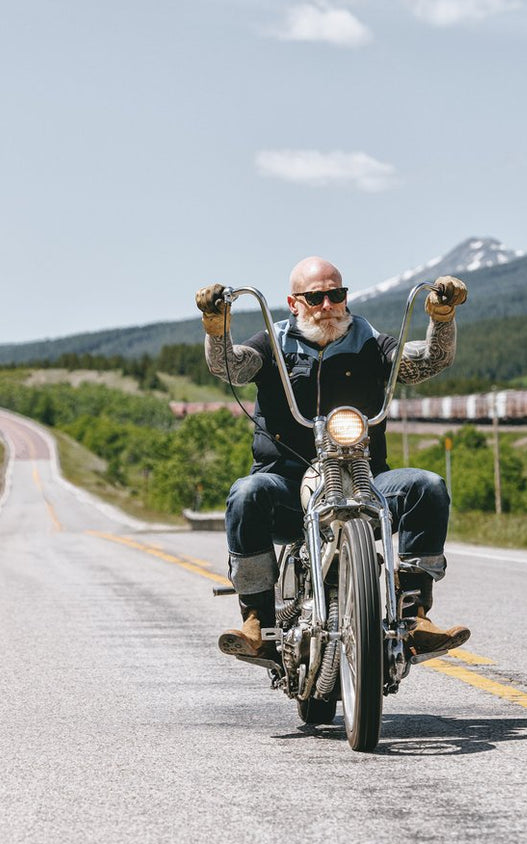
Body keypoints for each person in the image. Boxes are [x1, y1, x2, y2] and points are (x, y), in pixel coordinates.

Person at [195, 256, 470, 662]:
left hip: (364, 477)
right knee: (246, 492)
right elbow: (230, 368)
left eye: (336, 295)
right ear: (294, 303)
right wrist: (216, 328)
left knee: (427, 487)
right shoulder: (273, 341)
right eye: (316, 297)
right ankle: (258, 620)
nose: (327, 306)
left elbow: (426, 362)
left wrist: (442, 318)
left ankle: (414, 616)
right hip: (285, 481)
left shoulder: (369, 340)